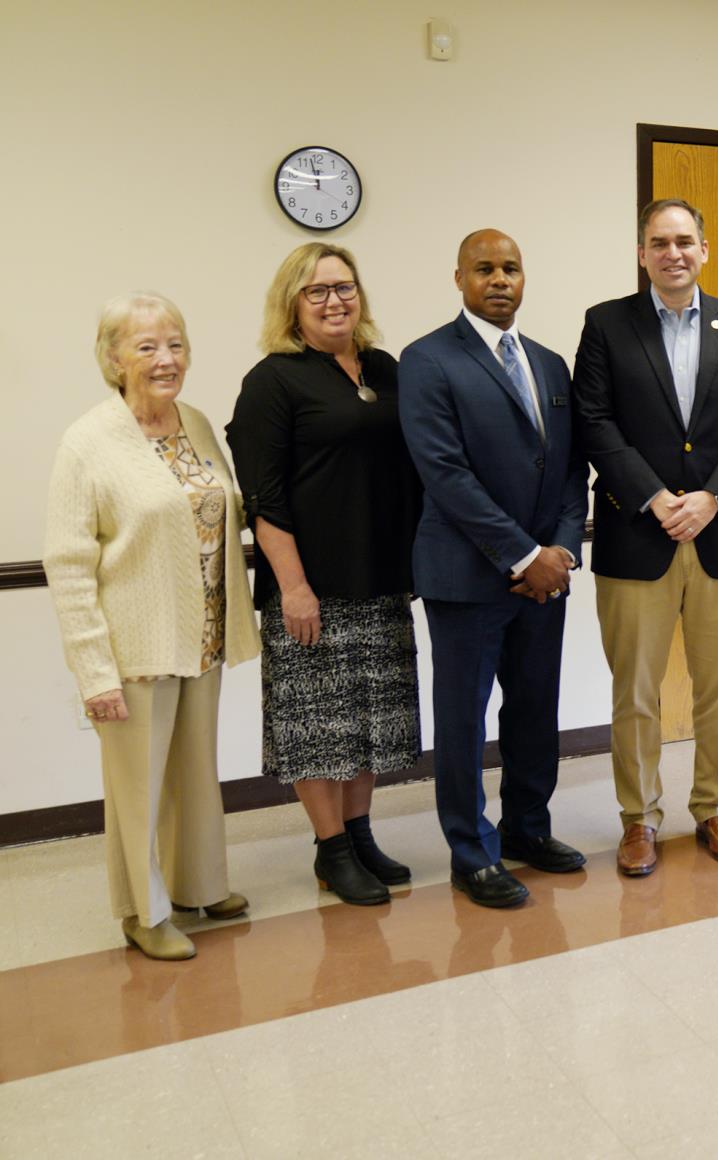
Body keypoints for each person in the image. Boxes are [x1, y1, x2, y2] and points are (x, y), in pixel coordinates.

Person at [45, 293, 260, 960]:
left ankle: (201, 883)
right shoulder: (87, 442)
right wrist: (93, 670)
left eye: (175, 344)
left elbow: (224, 509)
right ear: (113, 359)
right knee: (138, 786)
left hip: (202, 635)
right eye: (146, 347)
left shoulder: (194, 422)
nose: (166, 359)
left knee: (196, 771)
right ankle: (143, 912)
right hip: (135, 643)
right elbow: (70, 563)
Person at [572, 198, 718, 877]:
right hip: (638, 534)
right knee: (636, 690)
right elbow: (593, 422)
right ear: (641, 253)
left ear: (704, 249)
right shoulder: (606, 325)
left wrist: (712, 497)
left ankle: (715, 806)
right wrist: (656, 497)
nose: (673, 253)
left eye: (684, 240)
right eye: (659, 242)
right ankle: (640, 819)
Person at [228, 243, 423, 907]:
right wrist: (295, 588)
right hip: (312, 585)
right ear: (292, 304)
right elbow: (264, 498)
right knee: (317, 726)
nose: (335, 300)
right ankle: (331, 849)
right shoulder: (273, 381)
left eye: (344, 287)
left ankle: (361, 835)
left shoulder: (385, 368)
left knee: (370, 720)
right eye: (317, 291)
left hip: (380, 577)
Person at [398, 229, 589, 908]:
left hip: (546, 579)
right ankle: (470, 851)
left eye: (511, 268)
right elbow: (445, 475)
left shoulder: (548, 363)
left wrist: (562, 550)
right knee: (463, 720)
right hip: (466, 577)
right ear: (459, 279)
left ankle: (526, 831)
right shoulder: (425, 360)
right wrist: (523, 555)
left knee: (536, 712)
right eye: (485, 269)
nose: (500, 279)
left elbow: (571, 468)